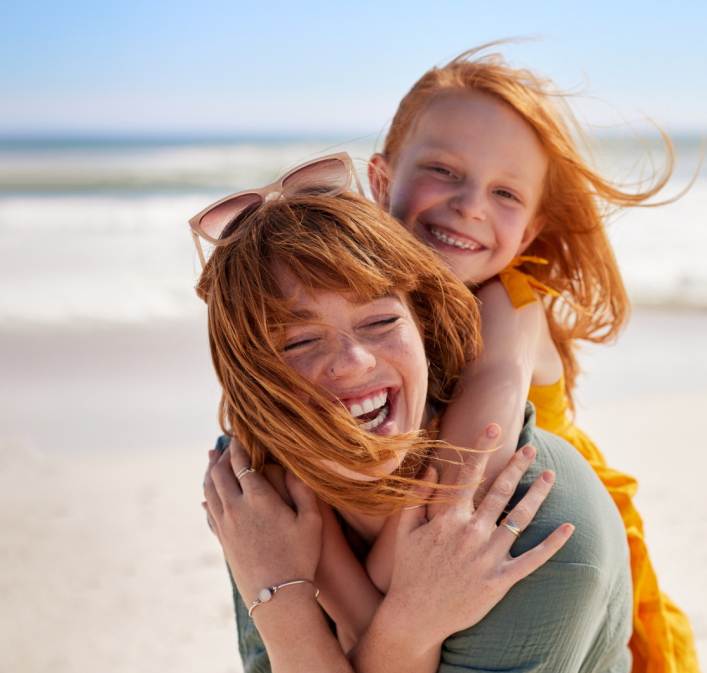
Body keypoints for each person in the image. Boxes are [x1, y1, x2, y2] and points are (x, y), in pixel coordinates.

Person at [192, 155, 632, 672]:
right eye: (301, 340)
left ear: (422, 325)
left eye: (380, 320)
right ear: (250, 376)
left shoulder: (534, 525)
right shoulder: (256, 507)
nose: (354, 362)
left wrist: (286, 601)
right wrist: (398, 621)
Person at [366, 46, 700, 673]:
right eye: (443, 168)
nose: (470, 204)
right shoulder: (365, 303)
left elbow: (472, 463)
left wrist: (371, 582)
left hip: (555, 552)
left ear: (529, 234)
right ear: (382, 179)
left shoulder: (510, 305)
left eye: (505, 193)